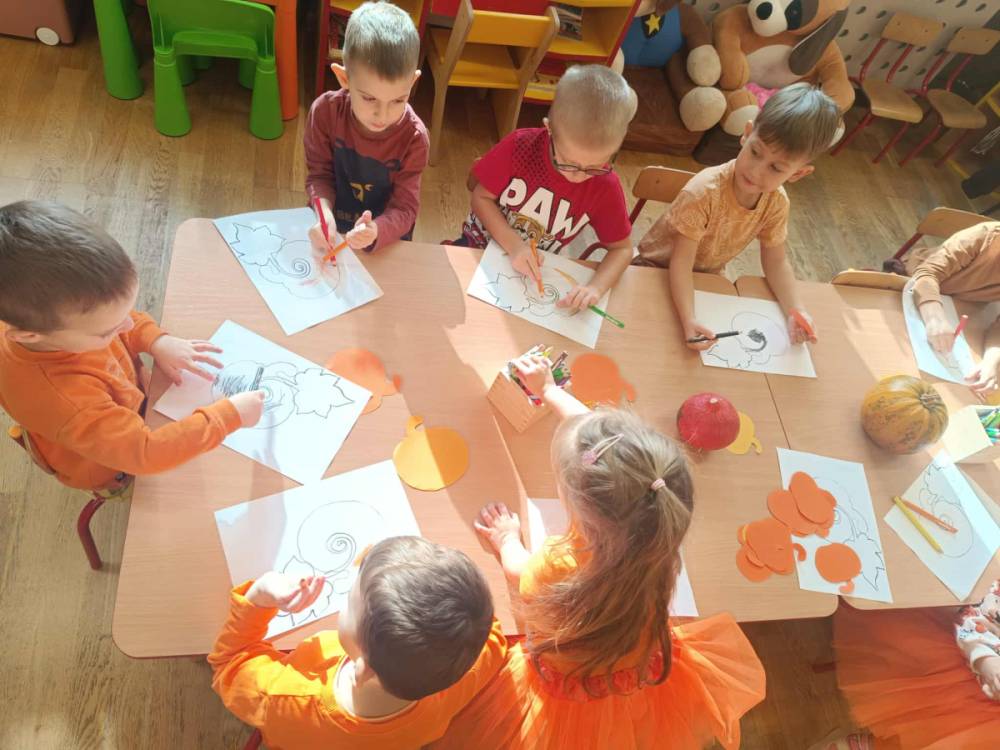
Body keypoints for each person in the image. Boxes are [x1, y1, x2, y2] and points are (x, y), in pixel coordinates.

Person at [430, 355, 765, 749]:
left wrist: (506, 540)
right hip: (630, 673)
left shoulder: (560, 564)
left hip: (569, 680)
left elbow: (519, 573)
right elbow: (600, 442)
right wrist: (550, 390)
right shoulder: (657, 537)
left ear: (580, 507)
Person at [0, 200, 262, 492]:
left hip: (128, 405)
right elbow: (145, 453)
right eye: (108, 331)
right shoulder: (68, 401)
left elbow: (121, 321)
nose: (127, 326)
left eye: (125, 313)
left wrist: (157, 340)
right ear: (29, 336)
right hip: (105, 463)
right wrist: (228, 417)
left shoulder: (59, 323)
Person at [208, 536, 507, 749]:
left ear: (362, 669)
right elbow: (491, 633)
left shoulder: (288, 700)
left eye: (350, 600)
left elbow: (228, 663)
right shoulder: (461, 669)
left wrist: (260, 597)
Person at [635, 82, 841, 350]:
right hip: (652, 272)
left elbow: (776, 262)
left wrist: (796, 310)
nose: (756, 171)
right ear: (746, 134)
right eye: (755, 152)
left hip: (704, 281)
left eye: (776, 168)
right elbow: (681, 263)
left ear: (798, 174)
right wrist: (689, 320)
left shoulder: (776, 202)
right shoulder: (704, 192)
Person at [454, 65, 637, 312]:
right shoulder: (519, 147)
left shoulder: (605, 187)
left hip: (534, 273)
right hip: (476, 245)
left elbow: (622, 249)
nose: (578, 176)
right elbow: (481, 198)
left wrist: (596, 288)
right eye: (568, 163)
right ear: (549, 129)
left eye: (595, 166)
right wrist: (515, 246)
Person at [304, 1, 428, 254]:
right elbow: (319, 176)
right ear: (344, 78)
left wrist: (376, 230)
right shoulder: (325, 112)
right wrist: (323, 213)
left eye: (398, 100)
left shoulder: (415, 138)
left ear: (413, 83)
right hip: (333, 230)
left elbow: (405, 208)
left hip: (385, 238)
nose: (382, 115)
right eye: (370, 98)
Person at [827, 586, 1000, 750]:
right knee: (910, 646)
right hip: (969, 661)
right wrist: (985, 658)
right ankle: (887, 743)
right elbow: (981, 610)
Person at [908, 220, 1000, 396]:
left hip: (959, 305)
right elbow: (927, 273)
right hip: (912, 284)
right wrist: (935, 318)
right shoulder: (987, 235)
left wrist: (991, 362)